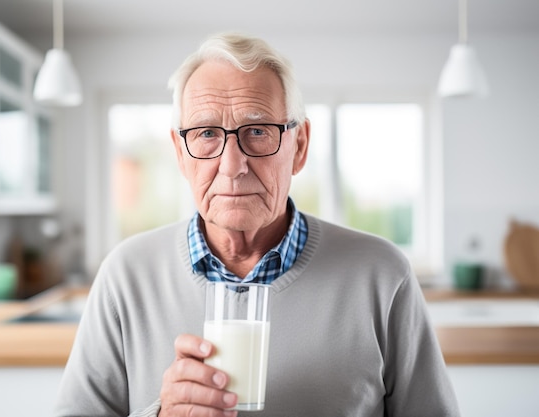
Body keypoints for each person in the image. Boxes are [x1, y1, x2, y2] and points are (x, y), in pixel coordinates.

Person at [54, 33, 460, 417]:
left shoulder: (383, 274)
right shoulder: (125, 275)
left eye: (258, 131)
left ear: (299, 148)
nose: (232, 167)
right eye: (207, 133)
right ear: (180, 153)